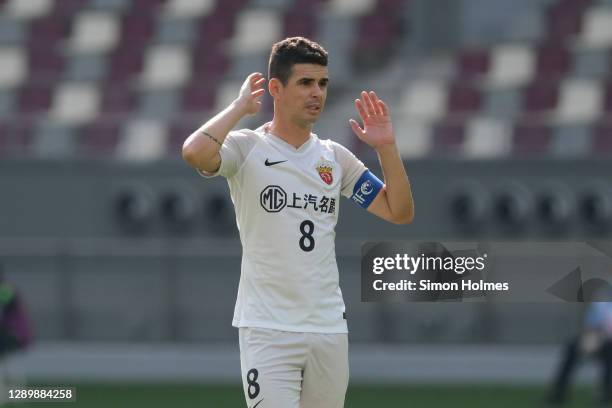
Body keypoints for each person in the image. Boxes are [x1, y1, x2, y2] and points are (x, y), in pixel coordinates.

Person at [182, 36, 414, 408]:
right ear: (276, 88)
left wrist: (386, 148)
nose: (317, 93)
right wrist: (240, 107)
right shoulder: (246, 148)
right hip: (268, 329)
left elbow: (399, 211)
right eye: (305, 83)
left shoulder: (334, 158)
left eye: (322, 83)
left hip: (327, 329)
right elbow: (195, 152)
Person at [548, 284, 612, 406]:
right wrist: (591, 339)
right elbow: (591, 325)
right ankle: (559, 393)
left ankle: (606, 393)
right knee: (572, 347)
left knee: (609, 353)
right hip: (598, 339)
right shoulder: (601, 304)